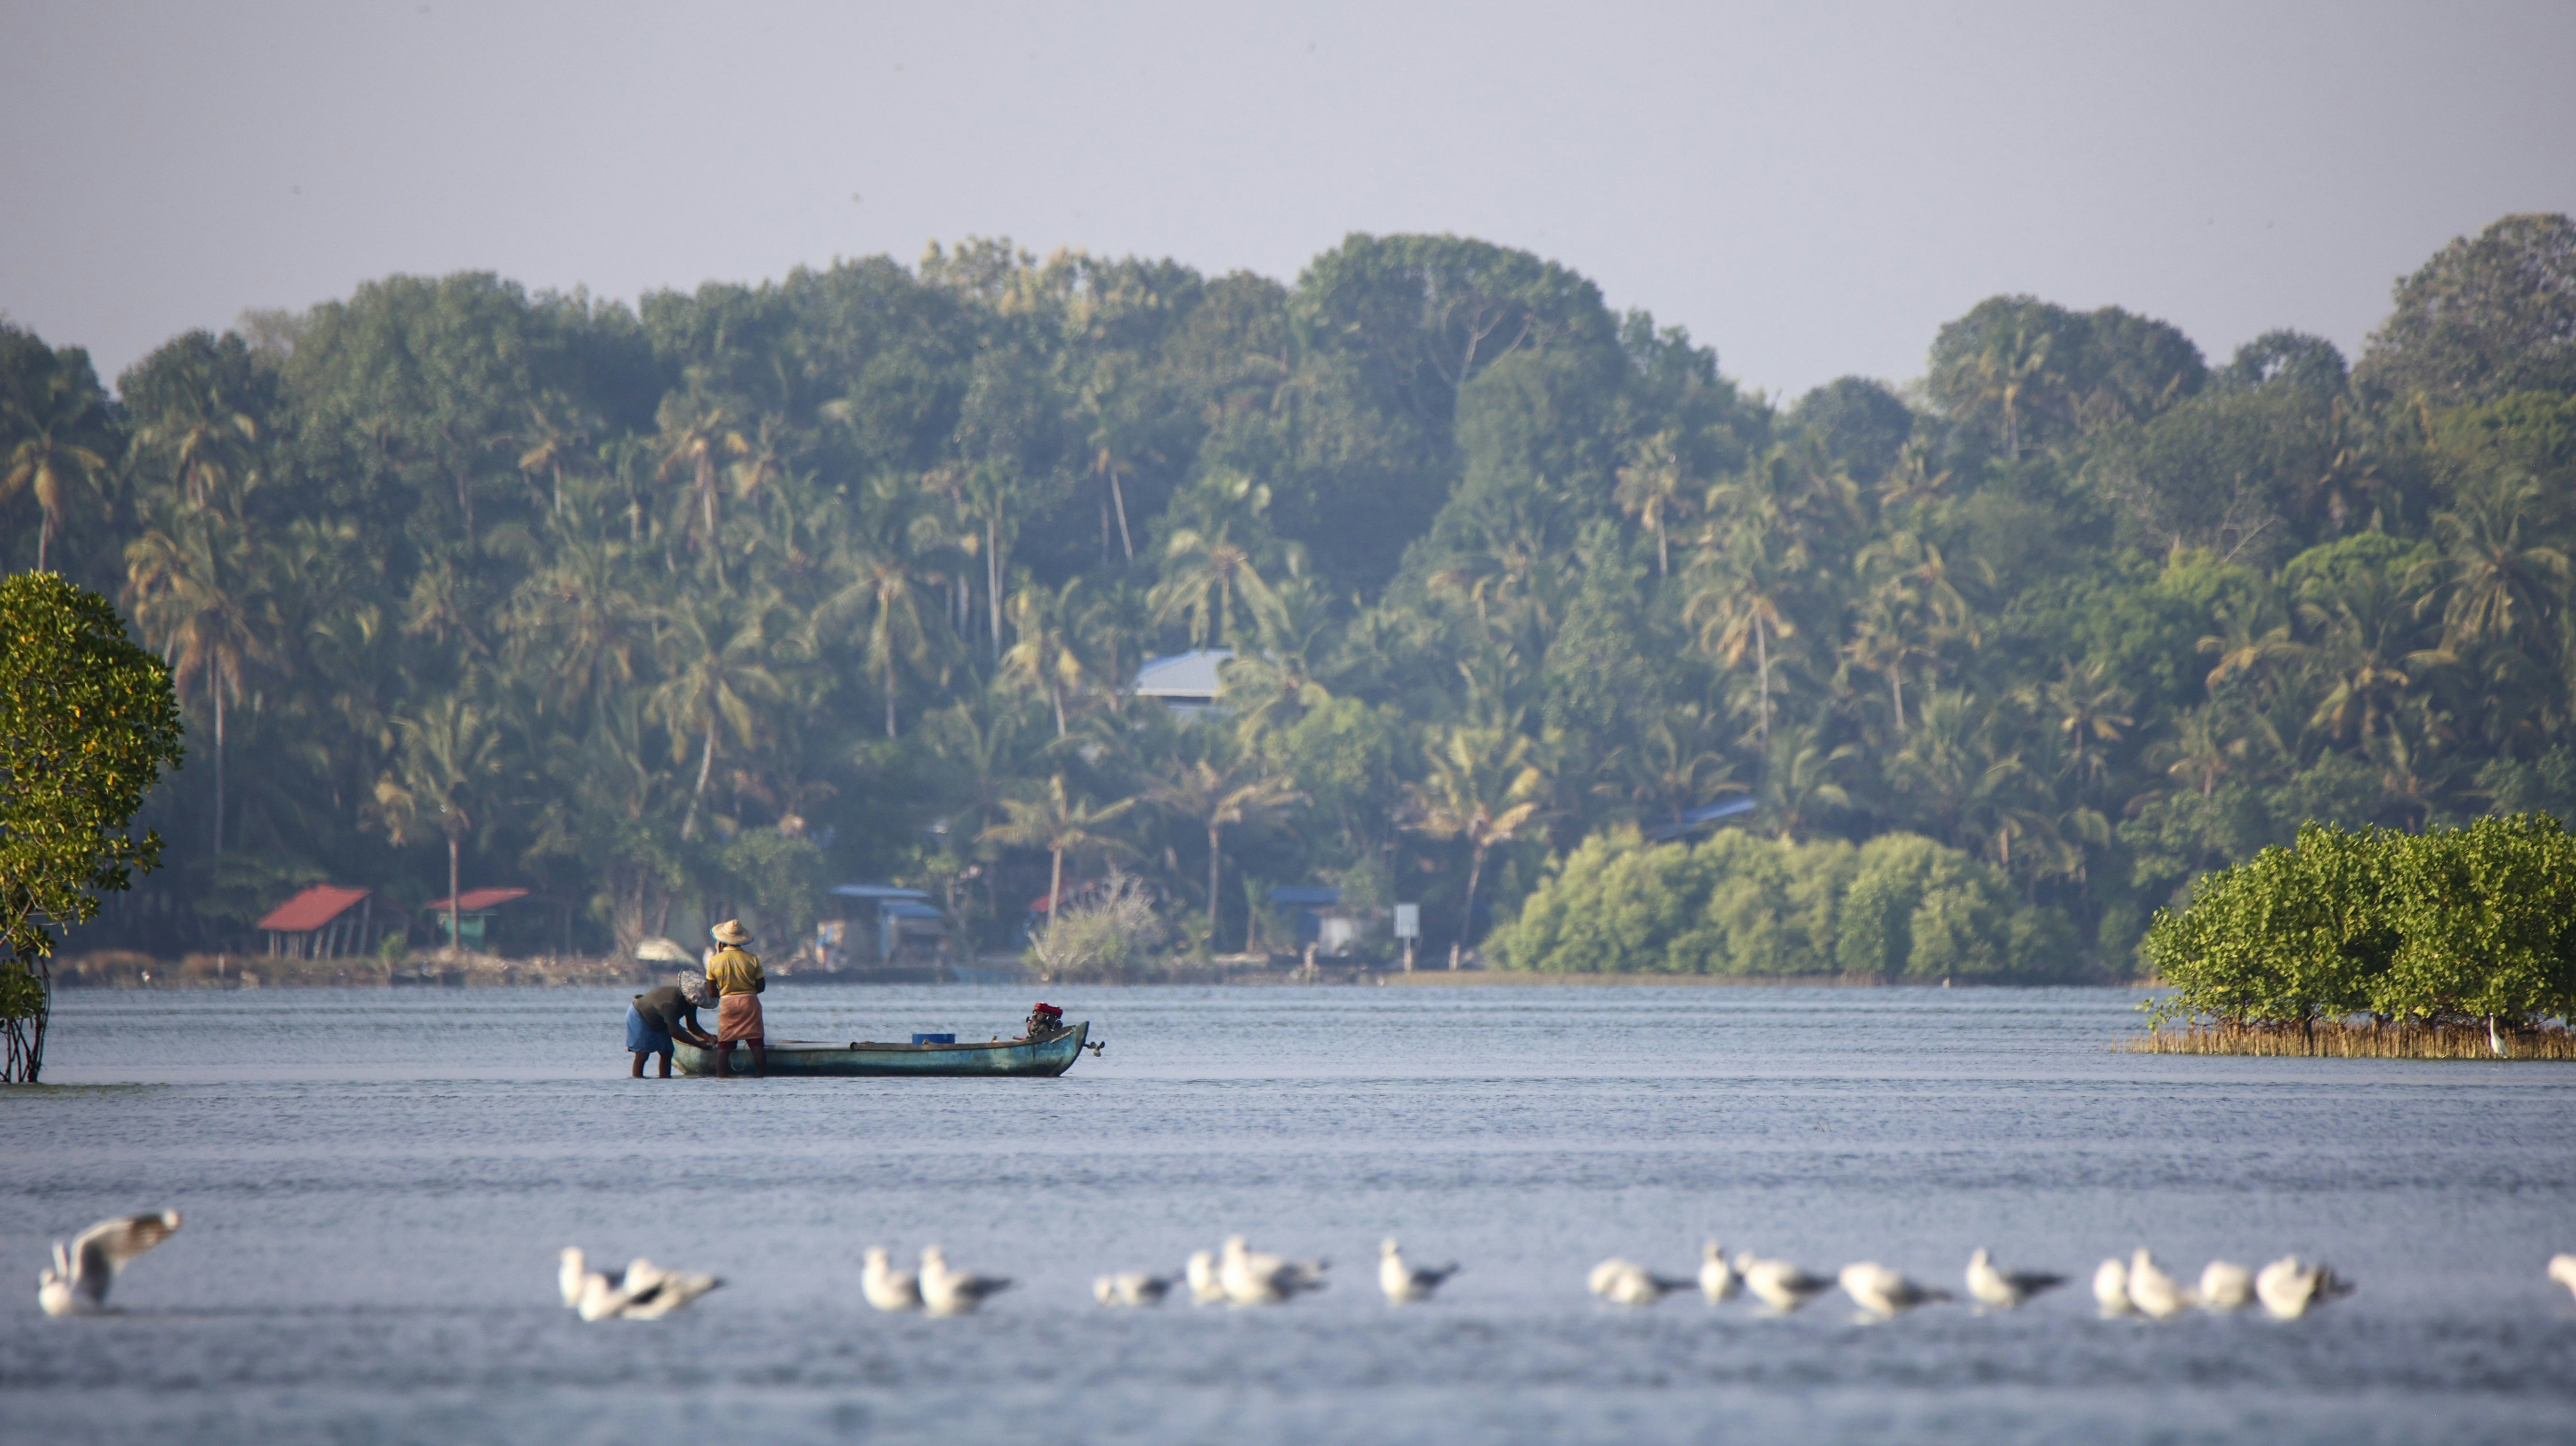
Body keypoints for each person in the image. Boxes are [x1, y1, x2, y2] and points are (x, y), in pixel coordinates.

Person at [705, 919, 766, 1077]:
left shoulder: (714, 962)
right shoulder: (752, 959)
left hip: (728, 1003)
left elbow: (712, 992)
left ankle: (723, 1077)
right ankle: (761, 1076)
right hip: (750, 1001)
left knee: (725, 1046)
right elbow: (761, 987)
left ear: (722, 941)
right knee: (756, 1043)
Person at [626, 973, 716, 1078]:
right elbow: (674, 1032)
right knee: (643, 1054)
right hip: (640, 1015)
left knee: (667, 1052)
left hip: (661, 1019)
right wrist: (699, 1044)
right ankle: (638, 1080)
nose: (696, 1002)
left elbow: (692, 1025)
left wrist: (709, 1037)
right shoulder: (672, 1003)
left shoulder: (692, 1002)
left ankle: (665, 1079)